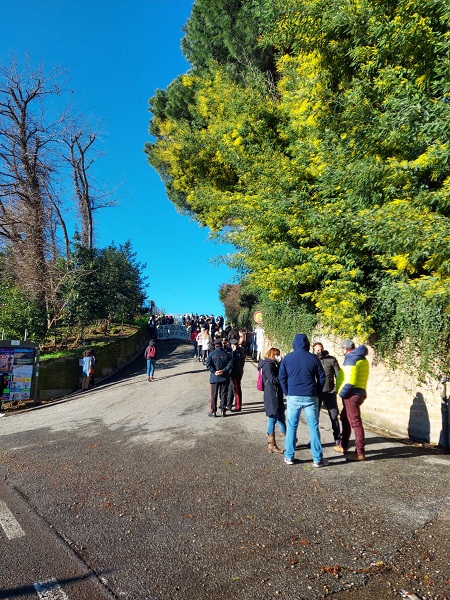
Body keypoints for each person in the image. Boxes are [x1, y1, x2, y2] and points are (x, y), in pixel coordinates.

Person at [278, 333, 328, 467]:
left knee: (292, 427)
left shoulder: (287, 359)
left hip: (293, 395)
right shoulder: (314, 358)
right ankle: (317, 459)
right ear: (307, 344)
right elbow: (322, 378)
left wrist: (287, 392)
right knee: (313, 427)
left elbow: (281, 378)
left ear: (294, 344)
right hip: (310, 396)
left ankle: (289, 456)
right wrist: (316, 392)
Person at [335, 339, 370, 461]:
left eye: (342, 349)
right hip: (359, 392)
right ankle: (343, 446)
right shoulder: (361, 358)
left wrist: (342, 393)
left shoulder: (351, 358)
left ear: (346, 348)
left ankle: (359, 452)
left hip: (351, 394)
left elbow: (350, 380)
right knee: (345, 418)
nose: (342, 351)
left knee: (355, 423)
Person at [312, 342, 341, 445]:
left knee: (333, 416)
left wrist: (336, 389)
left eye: (321, 349)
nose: (320, 352)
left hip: (329, 392)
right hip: (316, 393)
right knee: (314, 417)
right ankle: (314, 440)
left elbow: (339, 375)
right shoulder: (312, 360)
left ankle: (337, 438)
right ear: (314, 351)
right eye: (317, 350)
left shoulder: (331, 360)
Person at [258, 348, 286, 454]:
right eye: (277, 355)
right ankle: (271, 444)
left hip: (276, 394)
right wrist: (283, 377)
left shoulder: (273, 364)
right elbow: (272, 379)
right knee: (273, 418)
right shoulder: (268, 365)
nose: (279, 356)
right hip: (271, 395)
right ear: (273, 355)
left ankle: (289, 438)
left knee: (280, 417)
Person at [205, 340, 233, 417]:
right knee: (223, 394)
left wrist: (214, 372)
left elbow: (208, 364)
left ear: (215, 346)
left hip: (214, 378)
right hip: (224, 377)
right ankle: (223, 411)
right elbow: (230, 364)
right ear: (221, 345)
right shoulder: (227, 354)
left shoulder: (211, 354)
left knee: (214, 395)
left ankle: (213, 411)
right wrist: (223, 371)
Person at [226, 339, 245, 412]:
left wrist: (232, 374)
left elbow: (236, 365)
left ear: (233, 345)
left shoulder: (237, 353)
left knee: (236, 390)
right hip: (237, 373)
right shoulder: (239, 351)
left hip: (236, 374)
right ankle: (229, 404)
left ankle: (238, 406)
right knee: (231, 389)